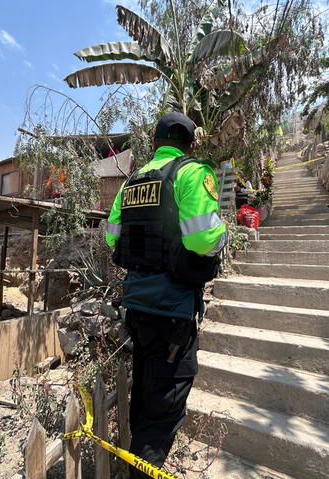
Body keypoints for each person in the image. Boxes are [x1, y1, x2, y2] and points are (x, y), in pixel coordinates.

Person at [105, 112, 227, 478]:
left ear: (156, 143)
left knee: (143, 395)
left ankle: (134, 467)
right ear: (189, 144)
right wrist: (223, 236)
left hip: (136, 306)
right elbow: (203, 238)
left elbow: (112, 235)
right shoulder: (192, 173)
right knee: (164, 408)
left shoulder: (133, 182)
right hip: (171, 309)